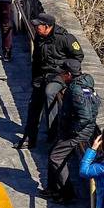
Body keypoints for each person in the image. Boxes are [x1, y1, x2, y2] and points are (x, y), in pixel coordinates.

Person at [24, 13, 83, 150]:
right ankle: (29, 137)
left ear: (47, 26)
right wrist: (34, 78)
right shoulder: (39, 37)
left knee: (50, 92)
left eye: (38, 26)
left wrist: (65, 70)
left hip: (59, 75)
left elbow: (78, 56)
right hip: (41, 75)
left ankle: (53, 134)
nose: (36, 28)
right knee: (34, 104)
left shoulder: (65, 38)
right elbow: (37, 59)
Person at [44, 71, 100, 203]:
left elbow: (85, 117)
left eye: (63, 74)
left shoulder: (76, 90)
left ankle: (66, 192)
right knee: (55, 152)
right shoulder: (87, 88)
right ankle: (53, 189)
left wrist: (73, 131)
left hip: (76, 133)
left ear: (68, 75)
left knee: (55, 157)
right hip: (83, 131)